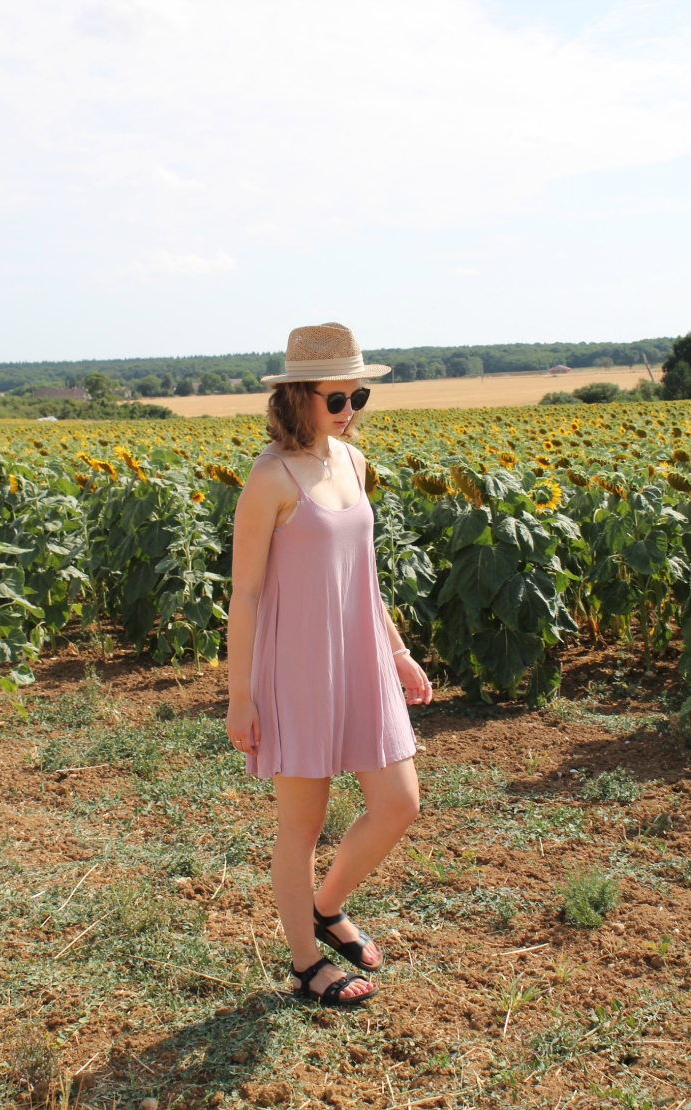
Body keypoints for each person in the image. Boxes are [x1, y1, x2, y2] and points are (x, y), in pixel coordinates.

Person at [226, 322, 432, 1007]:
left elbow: (361, 577)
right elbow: (245, 594)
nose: (350, 411)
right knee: (302, 826)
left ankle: (326, 904)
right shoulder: (270, 476)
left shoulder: (353, 462)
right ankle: (306, 963)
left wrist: (397, 651)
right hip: (297, 667)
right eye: (336, 398)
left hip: (361, 655)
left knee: (399, 804)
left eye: (358, 397)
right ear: (297, 397)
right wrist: (240, 696)